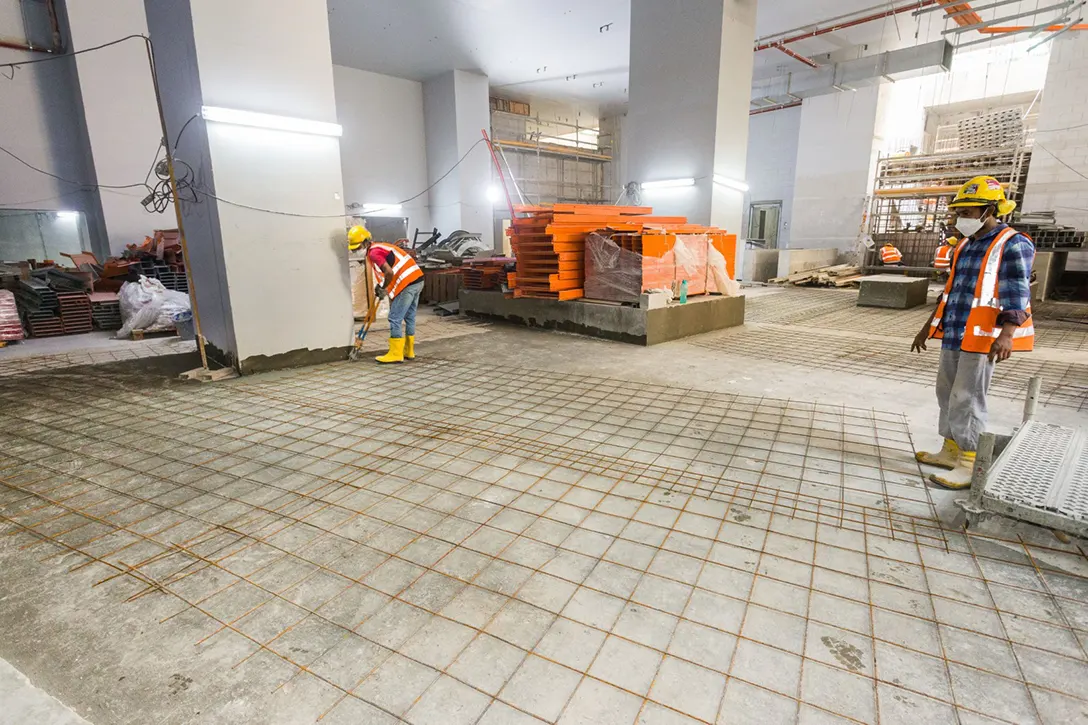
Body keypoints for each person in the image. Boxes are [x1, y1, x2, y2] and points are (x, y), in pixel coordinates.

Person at [911, 176, 1035, 489]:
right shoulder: (965, 244)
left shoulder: (1011, 242)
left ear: (990, 210)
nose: (961, 218)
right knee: (947, 392)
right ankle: (950, 450)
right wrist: (928, 326)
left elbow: (1017, 291)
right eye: (959, 211)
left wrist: (1007, 334)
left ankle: (969, 461)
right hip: (954, 331)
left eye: (969, 211)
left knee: (968, 397)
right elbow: (949, 291)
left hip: (983, 338)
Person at [348, 225, 424, 364]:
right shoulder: (380, 246)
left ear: (366, 242)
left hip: (407, 283)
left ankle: (396, 353)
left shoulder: (373, 253)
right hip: (417, 279)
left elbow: (389, 272)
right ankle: (409, 351)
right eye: (353, 249)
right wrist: (383, 286)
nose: (356, 251)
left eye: (357, 247)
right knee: (410, 317)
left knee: (395, 317)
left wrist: (383, 287)